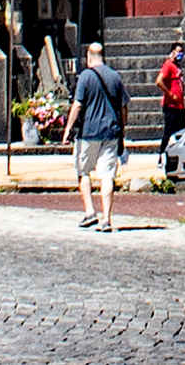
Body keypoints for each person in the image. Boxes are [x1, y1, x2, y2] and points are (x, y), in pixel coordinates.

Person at [64, 38, 128, 234]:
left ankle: (90, 211)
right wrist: (122, 129)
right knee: (107, 175)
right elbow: (124, 107)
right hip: (111, 132)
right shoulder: (115, 76)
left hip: (88, 133)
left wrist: (68, 129)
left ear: (89, 57)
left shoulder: (85, 76)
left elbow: (77, 105)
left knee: (83, 171)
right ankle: (106, 219)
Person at [156, 41, 185, 166]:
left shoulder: (177, 67)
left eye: (182, 52)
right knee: (168, 132)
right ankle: (161, 156)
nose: (180, 54)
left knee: (181, 133)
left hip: (180, 106)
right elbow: (159, 81)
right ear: (173, 52)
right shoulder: (168, 65)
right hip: (171, 106)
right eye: (178, 51)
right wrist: (170, 94)